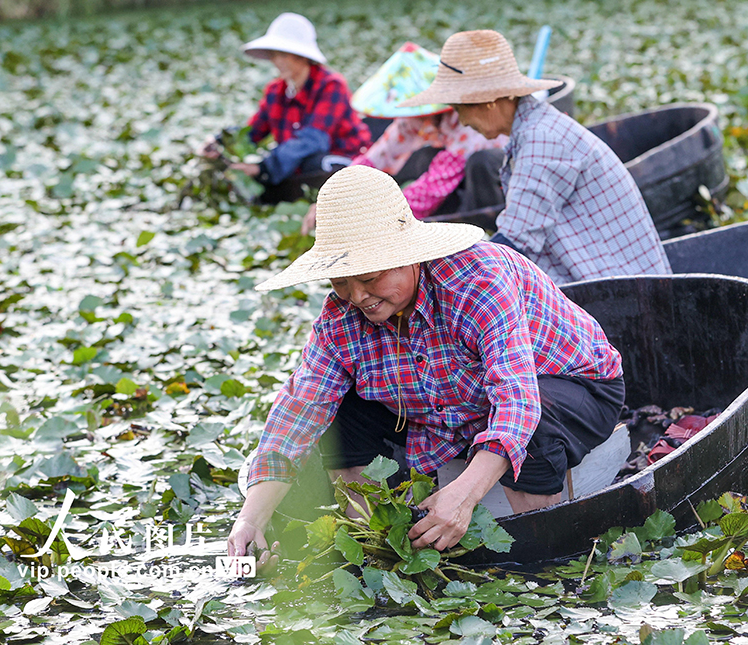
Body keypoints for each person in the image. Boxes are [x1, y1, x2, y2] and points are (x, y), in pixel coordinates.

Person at [227, 165, 625, 563]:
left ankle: (540, 554)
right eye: (341, 282)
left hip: (569, 385)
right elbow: (299, 412)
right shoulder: (340, 319)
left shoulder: (475, 281)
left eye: (369, 277)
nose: (358, 296)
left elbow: (516, 402)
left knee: (535, 425)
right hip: (452, 406)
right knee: (339, 413)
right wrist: (250, 517)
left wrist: (464, 497)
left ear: (408, 257)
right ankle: (371, 541)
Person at [400, 30, 671, 284]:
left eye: (460, 109)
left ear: (488, 102)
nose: (463, 121)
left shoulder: (542, 138)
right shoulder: (533, 131)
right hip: (603, 277)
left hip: (624, 290)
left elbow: (517, 240)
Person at [301, 42, 506, 234]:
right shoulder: (412, 119)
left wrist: (385, 220)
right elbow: (376, 158)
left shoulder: (466, 119)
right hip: (458, 171)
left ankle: (479, 229)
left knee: (480, 162)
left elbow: (434, 186)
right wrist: (332, 200)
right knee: (427, 156)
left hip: (502, 176)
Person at [196, 13, 371, 204]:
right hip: (296, 164)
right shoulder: (275, 91)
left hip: (341, 159)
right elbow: (253, 132)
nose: (277, 61)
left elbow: (313, 139)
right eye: (274, 54)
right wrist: (220, 142)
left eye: (284, 55)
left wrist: (263, 168)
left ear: (302, 57)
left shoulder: (331, 86)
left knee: (314, 163)